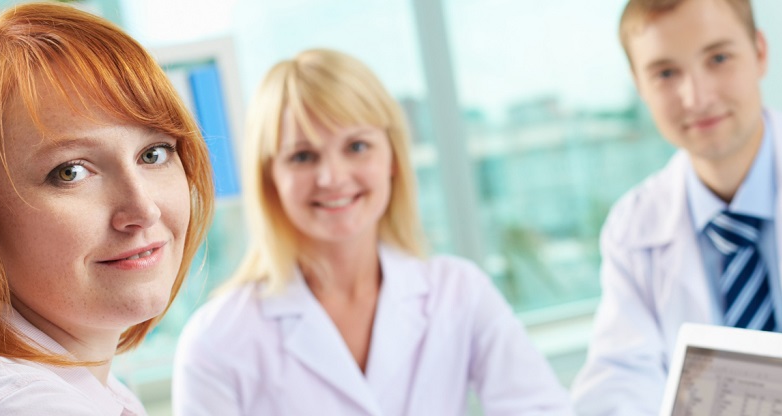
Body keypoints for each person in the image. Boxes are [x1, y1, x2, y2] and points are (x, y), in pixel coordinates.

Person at [172, 48, 570, 415]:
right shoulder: (216, 341)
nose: (332, 177)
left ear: (393, 157)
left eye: (357, 147)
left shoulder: (459, 292)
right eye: (303, 156)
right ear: (270, 178)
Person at [569, 0, 782, 415]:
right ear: (638, 85)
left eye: (718, 58)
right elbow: (620, 380)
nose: (696, 97)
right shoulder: (632, 227)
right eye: (665, 73)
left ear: (760, 53)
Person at [0, 3, 214, 415]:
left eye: (153, 154)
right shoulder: (23, 404)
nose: (143, 209)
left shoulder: (53, 384)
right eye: (71, 172)